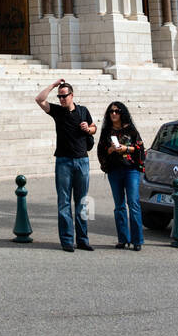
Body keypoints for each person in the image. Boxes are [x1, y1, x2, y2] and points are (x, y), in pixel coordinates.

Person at [35, 79, 97, 251]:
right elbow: (39, 99)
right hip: (63, 161)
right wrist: (53, 85)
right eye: (59, 96)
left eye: (64, 96)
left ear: (72, 95)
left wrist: (89, 129)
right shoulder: (57, 111)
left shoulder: (83, 111)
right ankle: (67, 241)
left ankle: (83, 239)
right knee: (64, 202)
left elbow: (94, 127)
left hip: (82, 160)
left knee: (83, 202)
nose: (61, 99)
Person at [97, 101, 146, 250]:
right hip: (114, 171)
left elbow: (140, 149)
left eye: (117, 111)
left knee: (133, 204)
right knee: (119, 206)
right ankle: (123, 239)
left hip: (131, 170)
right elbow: (101, 151)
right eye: (111, 111)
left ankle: (137, 240)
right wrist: (111, 151)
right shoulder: (106, 131)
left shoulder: (131, 130)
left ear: (122, 113)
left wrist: (126, 148)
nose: (113, 114)